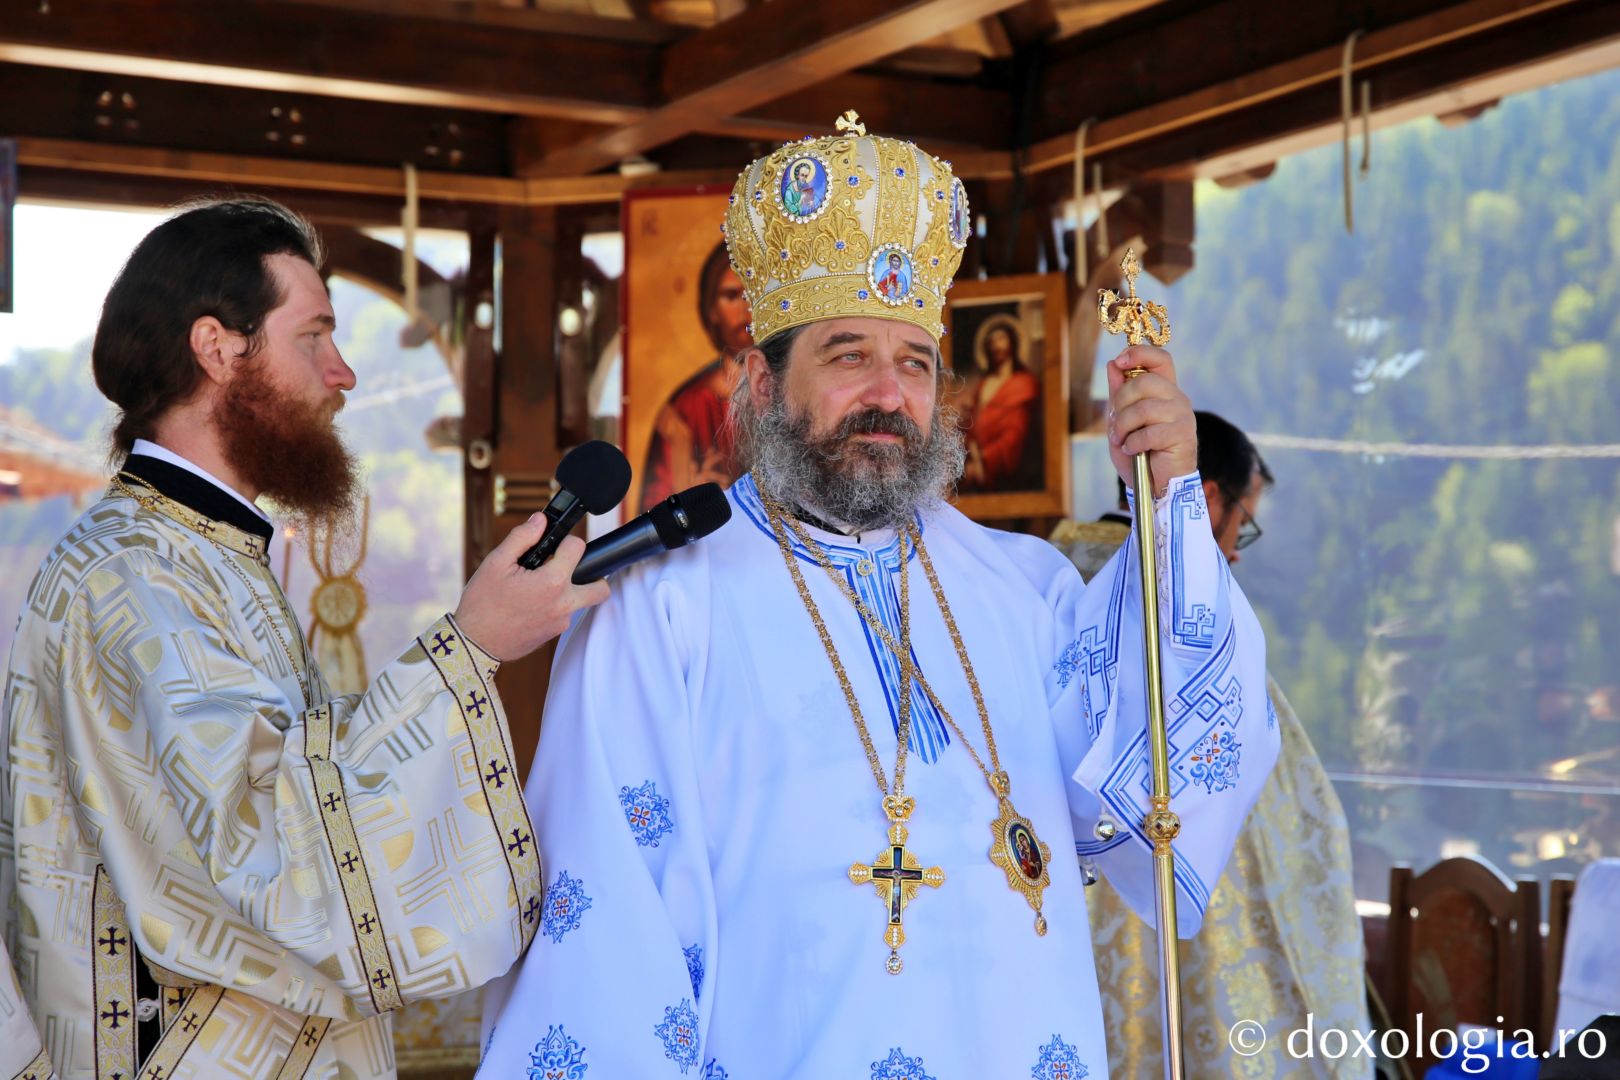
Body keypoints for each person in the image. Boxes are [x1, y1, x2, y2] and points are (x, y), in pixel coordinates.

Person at [478, 119, 1276, 1078]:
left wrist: (1173, 507)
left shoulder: (1023, 592)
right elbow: (605, 922)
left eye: (915, 362)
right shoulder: (662, 608)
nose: (889, 393)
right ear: (763, 385)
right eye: (848, 354)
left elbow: (1157, 799)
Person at [0, 197, 609, 1080]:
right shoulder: (137, 572)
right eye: (314, 336)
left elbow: (273, 782)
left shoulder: (194, 553)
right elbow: (261, 849)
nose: (345, 372)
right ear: (219, 348)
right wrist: (470, 645)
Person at [1055, 411, 1372, 1079]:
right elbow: (1292, 835)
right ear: (1206, 497)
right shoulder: (1200, 623)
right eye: (1242, 524)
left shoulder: (1046, 592)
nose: (1232, 551)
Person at [639, 241, 754, 511]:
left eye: (752, 295)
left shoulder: (792, 394)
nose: (744, 310)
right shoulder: (686, 410)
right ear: (711, 309)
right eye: (731, 295)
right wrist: (691, 496)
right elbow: (654, 517)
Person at [960, 315, 1042, 492]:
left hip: (1006, 468)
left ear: (1012, 342)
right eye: (991, 341)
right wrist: (972, 450)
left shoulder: (1024, 383)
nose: (996, 345)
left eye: (1001, 339)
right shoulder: (983, 384)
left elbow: (1015, 433)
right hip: (977, 463)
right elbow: (974, 422)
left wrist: (985, 458)